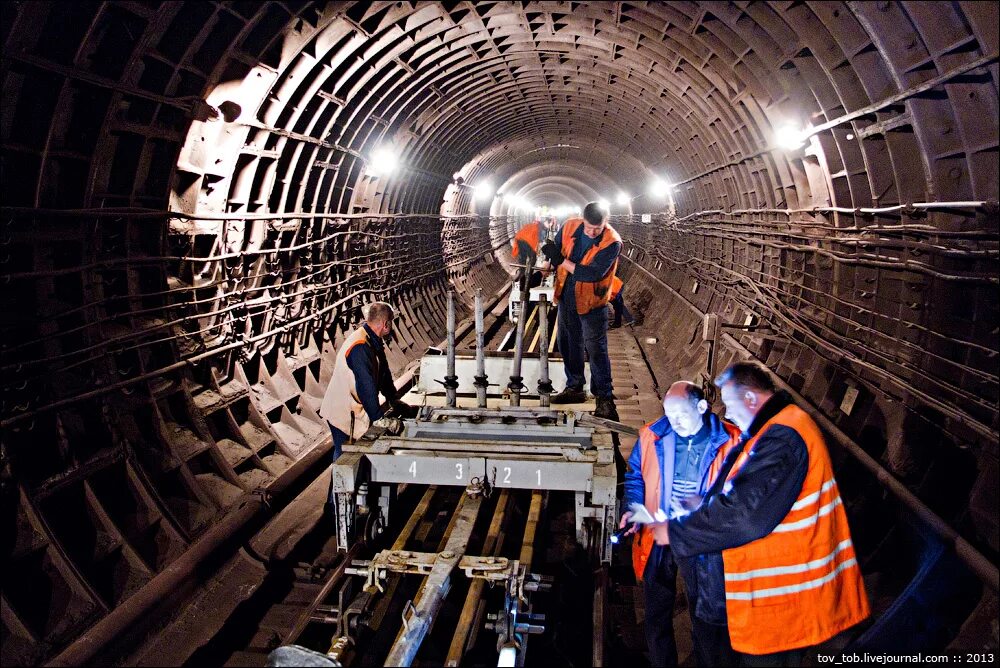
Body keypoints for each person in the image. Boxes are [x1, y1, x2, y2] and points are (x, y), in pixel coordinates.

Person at [668, 362, 870, 666]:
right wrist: (705, 502)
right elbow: (750, 493)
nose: (727, 413)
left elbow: (746, 516)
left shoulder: (785, 436)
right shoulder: (768, 431)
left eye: (731, 404)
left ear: (751, 399)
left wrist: (674, 532)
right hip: (759, 600)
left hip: (779, 603)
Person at [620, 381, 742, 668]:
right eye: (668, 415)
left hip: (702, 542)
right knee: (656, 613)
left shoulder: (732, 442)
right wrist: (633, 508)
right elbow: (636, 476)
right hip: (658, 536)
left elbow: (743, 497)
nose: (674, 423)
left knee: (706, 617)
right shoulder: (652, 435)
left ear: (701, 407)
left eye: (681, 416)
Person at [319, 302, 417, 497]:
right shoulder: (360, 346)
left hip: (352, 408)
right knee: (344, 458)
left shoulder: (372, 340)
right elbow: (366, 386)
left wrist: (393, 398)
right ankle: (335, 506)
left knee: (352, 456)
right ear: (385, 323)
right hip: (343, 412)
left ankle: (354, 494)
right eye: (391, 323)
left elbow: (383, 373)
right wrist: (379, 418)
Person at [540, 202, 622, 420]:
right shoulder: (569, 227)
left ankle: (604, 398)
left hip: (592, 301)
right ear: (583, 220)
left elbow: (591, 274)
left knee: (595, 349)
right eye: (589, 227)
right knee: (567, 343)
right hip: (567, 295)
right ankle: (574, 387)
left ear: (606, 223)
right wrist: (548, 264)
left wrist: (560, 261)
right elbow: (556, 248)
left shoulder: (612, 242)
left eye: (597, 228)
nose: (592, 232)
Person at [511, 214, 555, 291]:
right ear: (547, 222)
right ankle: (525, 282)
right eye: (550, 224)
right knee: (531, 263)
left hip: (521, 242)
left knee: (524, 264)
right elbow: (541, 242)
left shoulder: (536, 225)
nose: (550, 226)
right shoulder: (540, 228)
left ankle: (523, 281)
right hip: (525, 243)